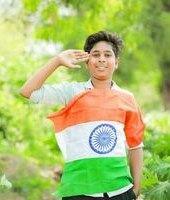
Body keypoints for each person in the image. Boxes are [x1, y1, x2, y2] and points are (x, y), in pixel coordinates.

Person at [19, 31, 145, 200]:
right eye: (95, 55)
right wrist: (57, 61)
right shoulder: (73, 92)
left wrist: (136, 189)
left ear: (116, 62)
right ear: (87, 62)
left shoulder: (127, 98)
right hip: (78, 190)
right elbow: (28, 91)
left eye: (107, 55)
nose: (101, 59)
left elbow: (135, 145)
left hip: (119, 191)